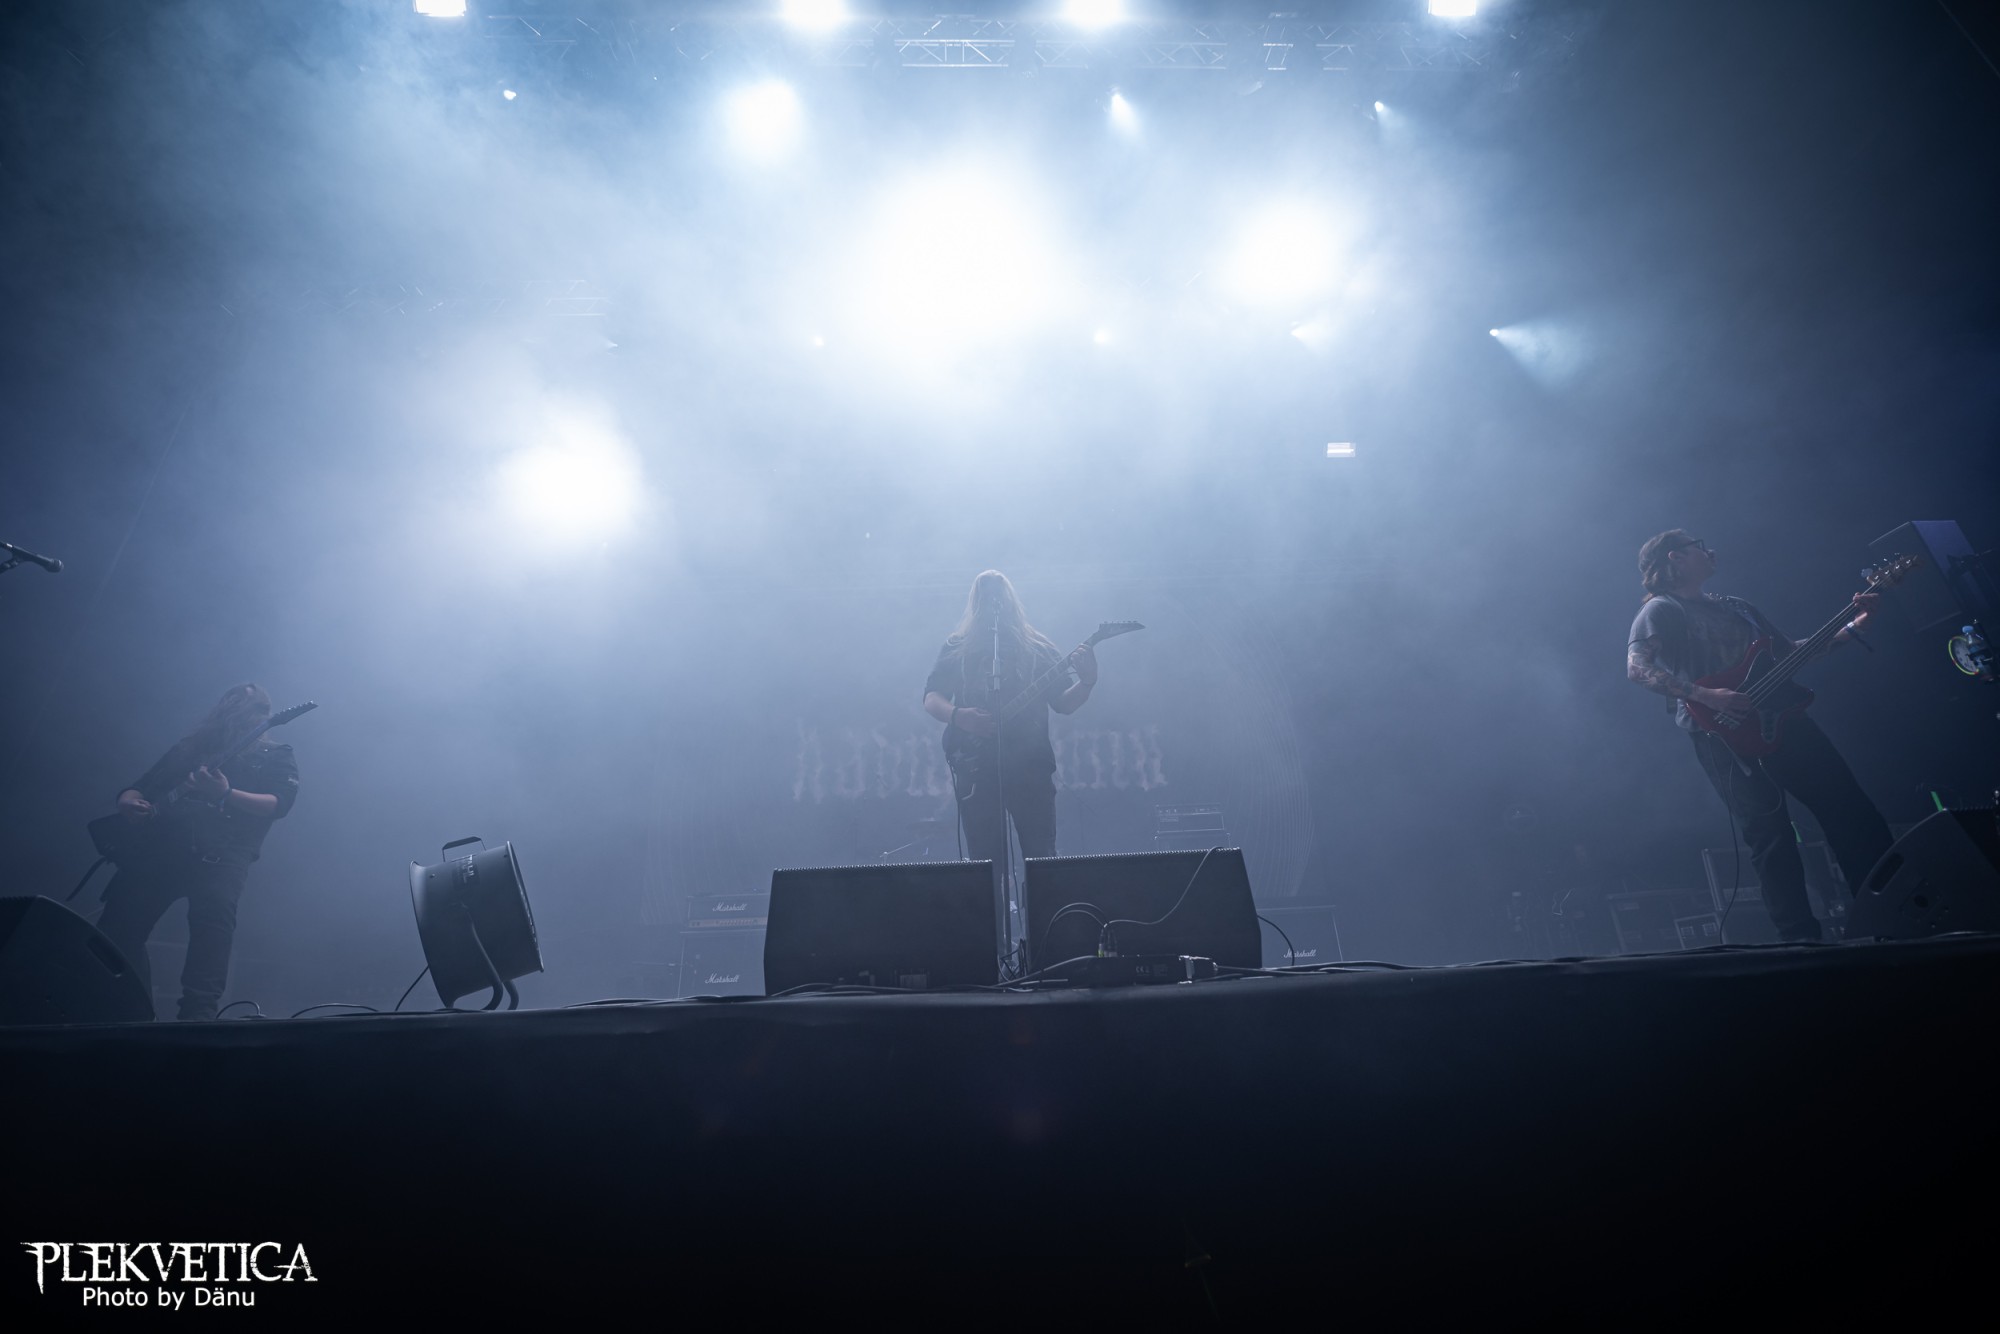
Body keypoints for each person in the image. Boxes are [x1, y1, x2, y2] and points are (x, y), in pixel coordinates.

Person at [1625, 531, 1891, 942]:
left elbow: (1790, 653)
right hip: (1721, 733)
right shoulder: (1661, 609)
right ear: (1675, 557)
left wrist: (1854, 627)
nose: (1711, 551)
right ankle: (1800, 942)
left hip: (1784, 719)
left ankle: (1886, 915)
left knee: (1852, 813)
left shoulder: (1738, 607)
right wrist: (1705, 695)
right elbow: (1637, 668)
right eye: (1700, 546)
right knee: (1771, 836)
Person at [95, 683, 300, 1019]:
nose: (238, 707)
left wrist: (225, 793)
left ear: (264, 715)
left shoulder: (276, 754)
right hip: (161, 852)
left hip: (222, 856)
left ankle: (197, 1015)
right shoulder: (189, 749)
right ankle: (130, 1010)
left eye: (249, 704)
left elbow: (278, 804)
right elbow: (140, 787)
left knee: (211, 929)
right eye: (234, 701)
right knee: (117, 931)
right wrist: (127, 802)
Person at [922, 571, 1097, 865]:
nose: (994, 599)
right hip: (976, 766)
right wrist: (959, 716)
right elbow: (931, 697)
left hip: (1030, 766)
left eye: (998, 593)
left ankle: (1041, 896)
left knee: (1041, 857)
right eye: (986, 593)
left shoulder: (1038, 647)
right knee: (985, 862)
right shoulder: (958, 646)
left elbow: (1064, 703)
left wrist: (1087, 682)